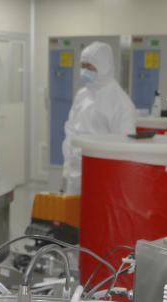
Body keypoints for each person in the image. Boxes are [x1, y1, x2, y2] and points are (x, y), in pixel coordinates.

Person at [61, 41, 136, 194]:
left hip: (102, 178)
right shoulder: (81, 95)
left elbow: (125, 149)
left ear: (104, 67)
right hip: (74, 175)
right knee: (74, 216)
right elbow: (70, 130)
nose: (84, 71)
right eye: (82, 66)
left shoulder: (121, 103)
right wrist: (66, 167)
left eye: (89, 67)